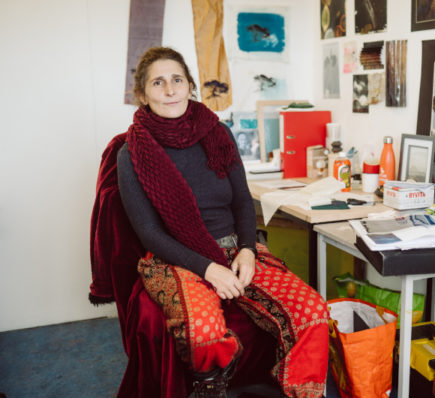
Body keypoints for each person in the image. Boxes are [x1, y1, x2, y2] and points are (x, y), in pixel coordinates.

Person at [91, 47, 328, 398]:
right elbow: (149, 233)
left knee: (312, 309)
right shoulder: (132, 153)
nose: (170, 90)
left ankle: (299, 392)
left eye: (177, 80)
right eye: (158, 83)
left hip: (236, 247)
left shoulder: (218, 134)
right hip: (175, 258)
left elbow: (244, 203)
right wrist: (208, 269)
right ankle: (210, 389)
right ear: (143, 94)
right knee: (204, 331)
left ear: (189, 86)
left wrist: (247, 252)